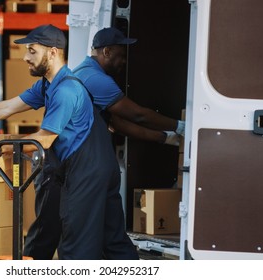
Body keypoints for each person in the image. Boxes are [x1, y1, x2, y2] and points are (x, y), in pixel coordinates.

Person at [0, 24, 139, 260]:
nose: (25, 57)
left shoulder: (67, 90)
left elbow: (45, 138)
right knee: (113, 239)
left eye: (32, 51)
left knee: (76, 247)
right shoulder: (48, 85)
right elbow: (9, 106)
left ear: (52, 52)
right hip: (100, 167)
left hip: (86, 172)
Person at [23, 27, 185, 260]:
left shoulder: (86, 75)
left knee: (109, 236)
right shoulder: (93, 78)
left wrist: (165, 137)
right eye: (122, 53)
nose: (125, 60)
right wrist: (180, 126)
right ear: (107, 52)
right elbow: (138, 115)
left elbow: (117, 123)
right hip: (66, 167)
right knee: (62, 235)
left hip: (90, 167)